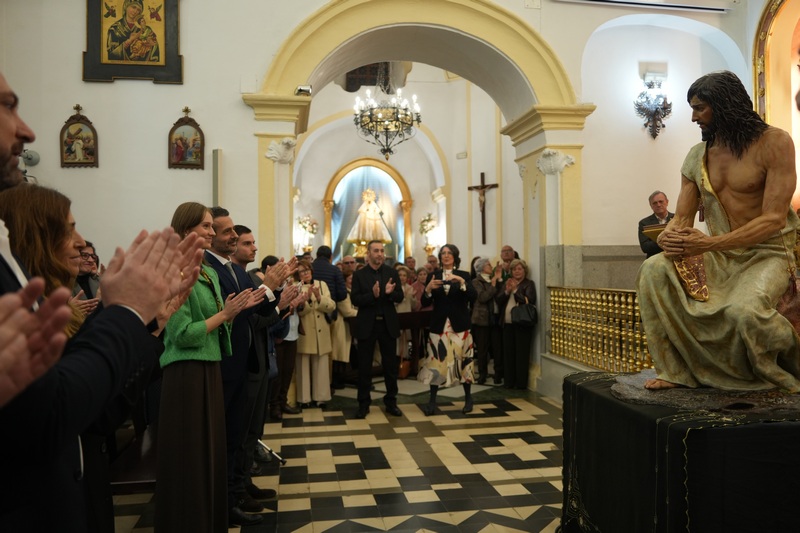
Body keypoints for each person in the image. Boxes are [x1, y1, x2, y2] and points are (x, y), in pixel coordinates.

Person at [637, 70, 800, 392]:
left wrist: (709, 244)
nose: (693, 117)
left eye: (700, 108)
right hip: (719, 255)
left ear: (724, 105)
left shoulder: (774, 143)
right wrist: (671, 235)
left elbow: (773, 220)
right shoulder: (697, 156)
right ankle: (675, 371)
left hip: (767, 255)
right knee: (653, 270)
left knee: (745, 312)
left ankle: (786, 370)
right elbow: (683, 219)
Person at [154, 202, 257, 532]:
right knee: (190, 457)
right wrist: (225, 315)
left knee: (211, 453)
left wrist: (232, 313)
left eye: (213, 226)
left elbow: (217, 327)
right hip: (185, 372)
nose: (212, 232)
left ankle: (210, 520)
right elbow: (182, 334)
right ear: (186, 231)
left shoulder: (208, 272)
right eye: (207, 226)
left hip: (210, 367)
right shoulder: (173, 271)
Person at [205, 207, 283, 526]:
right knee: (229, 437)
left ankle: (237, 490)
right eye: (227, 232)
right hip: (225, 363)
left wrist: (273, 292)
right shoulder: (211, 269)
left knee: (240, 434)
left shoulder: (230, 269)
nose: (234, 237)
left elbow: (249, 310)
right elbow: (237, 312)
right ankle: (229, 499)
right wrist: (269, 289)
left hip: (242, 362)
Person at [418, 244, 477, 415]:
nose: (446, 256)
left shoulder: (464, 275)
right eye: (443, 253)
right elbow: (424, 302)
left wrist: (462, 283)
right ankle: (432, 401)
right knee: (436, 362)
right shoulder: (433, 276)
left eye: (449, 253)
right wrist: (428, 289)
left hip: (460, 326)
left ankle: (468, 398)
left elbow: (473, 297)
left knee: (463, 361)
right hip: (439, 325)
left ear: (455, 256)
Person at [350, 240, 404, 419]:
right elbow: (355, 299)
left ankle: (391, 402)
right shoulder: (359, 274)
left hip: (387, 325)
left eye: (382, 251)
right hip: (367, 325)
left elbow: (400, 296)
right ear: (368, 253)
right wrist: (372, 296)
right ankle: (363, 404)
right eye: (376, 251)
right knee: (364, 367)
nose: (380, 254)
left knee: (390, 367)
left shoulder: (391, 272)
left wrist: (389, 293)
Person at [294, 259, 335, 408]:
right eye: (302, 271)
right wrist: (306, 302)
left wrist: (318, 297)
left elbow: (331, 306)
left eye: (307, 270)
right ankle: (304, 399)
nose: (305, 274)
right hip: (305, 332)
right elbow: (299, 312)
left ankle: (321, 398)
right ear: (297, 275)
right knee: (303, 366)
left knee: (321, 365)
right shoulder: (296, 287)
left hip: (321, 331)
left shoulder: (321, 285)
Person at [496, 259, 537, 390]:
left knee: (521, 354)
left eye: (519, 269)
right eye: (514, 269)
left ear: (525, 270)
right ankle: (509, 382)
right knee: (508, 354)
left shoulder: (528, 284)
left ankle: (520, 384)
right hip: (507, 323)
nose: (517, 271)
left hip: (522, 323)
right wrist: (507, 291)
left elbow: (530, 300)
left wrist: (515, 291)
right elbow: (498, 300)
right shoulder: (508, 282)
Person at [471, 257, 503, 385]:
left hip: (495, 318)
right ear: (482, 268)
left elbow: (501, 295)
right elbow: (482, 297)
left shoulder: (493, 280)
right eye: (489, 265)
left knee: (497, 348)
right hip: (482, 320)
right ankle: (482, 375)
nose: (491, 267)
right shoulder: (476, 282)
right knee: (482, 349)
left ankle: (498, 375)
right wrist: (493, 285)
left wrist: (499, 279)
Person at [637, 191, 674, 258]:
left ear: (667, 202)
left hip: (675, 259)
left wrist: (658, 242)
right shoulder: (644, 223)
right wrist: (666, 241)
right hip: (654, 260)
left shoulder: (676, 219)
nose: (658, 205)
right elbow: (645, 247)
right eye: (655, 203)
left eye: (661, 201)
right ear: (651, 205)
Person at [71, 241, 101, 317]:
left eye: (92, 256)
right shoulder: (61, 282)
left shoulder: (100, 281)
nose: (91, 260)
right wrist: (70, 309)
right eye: (85, 255)